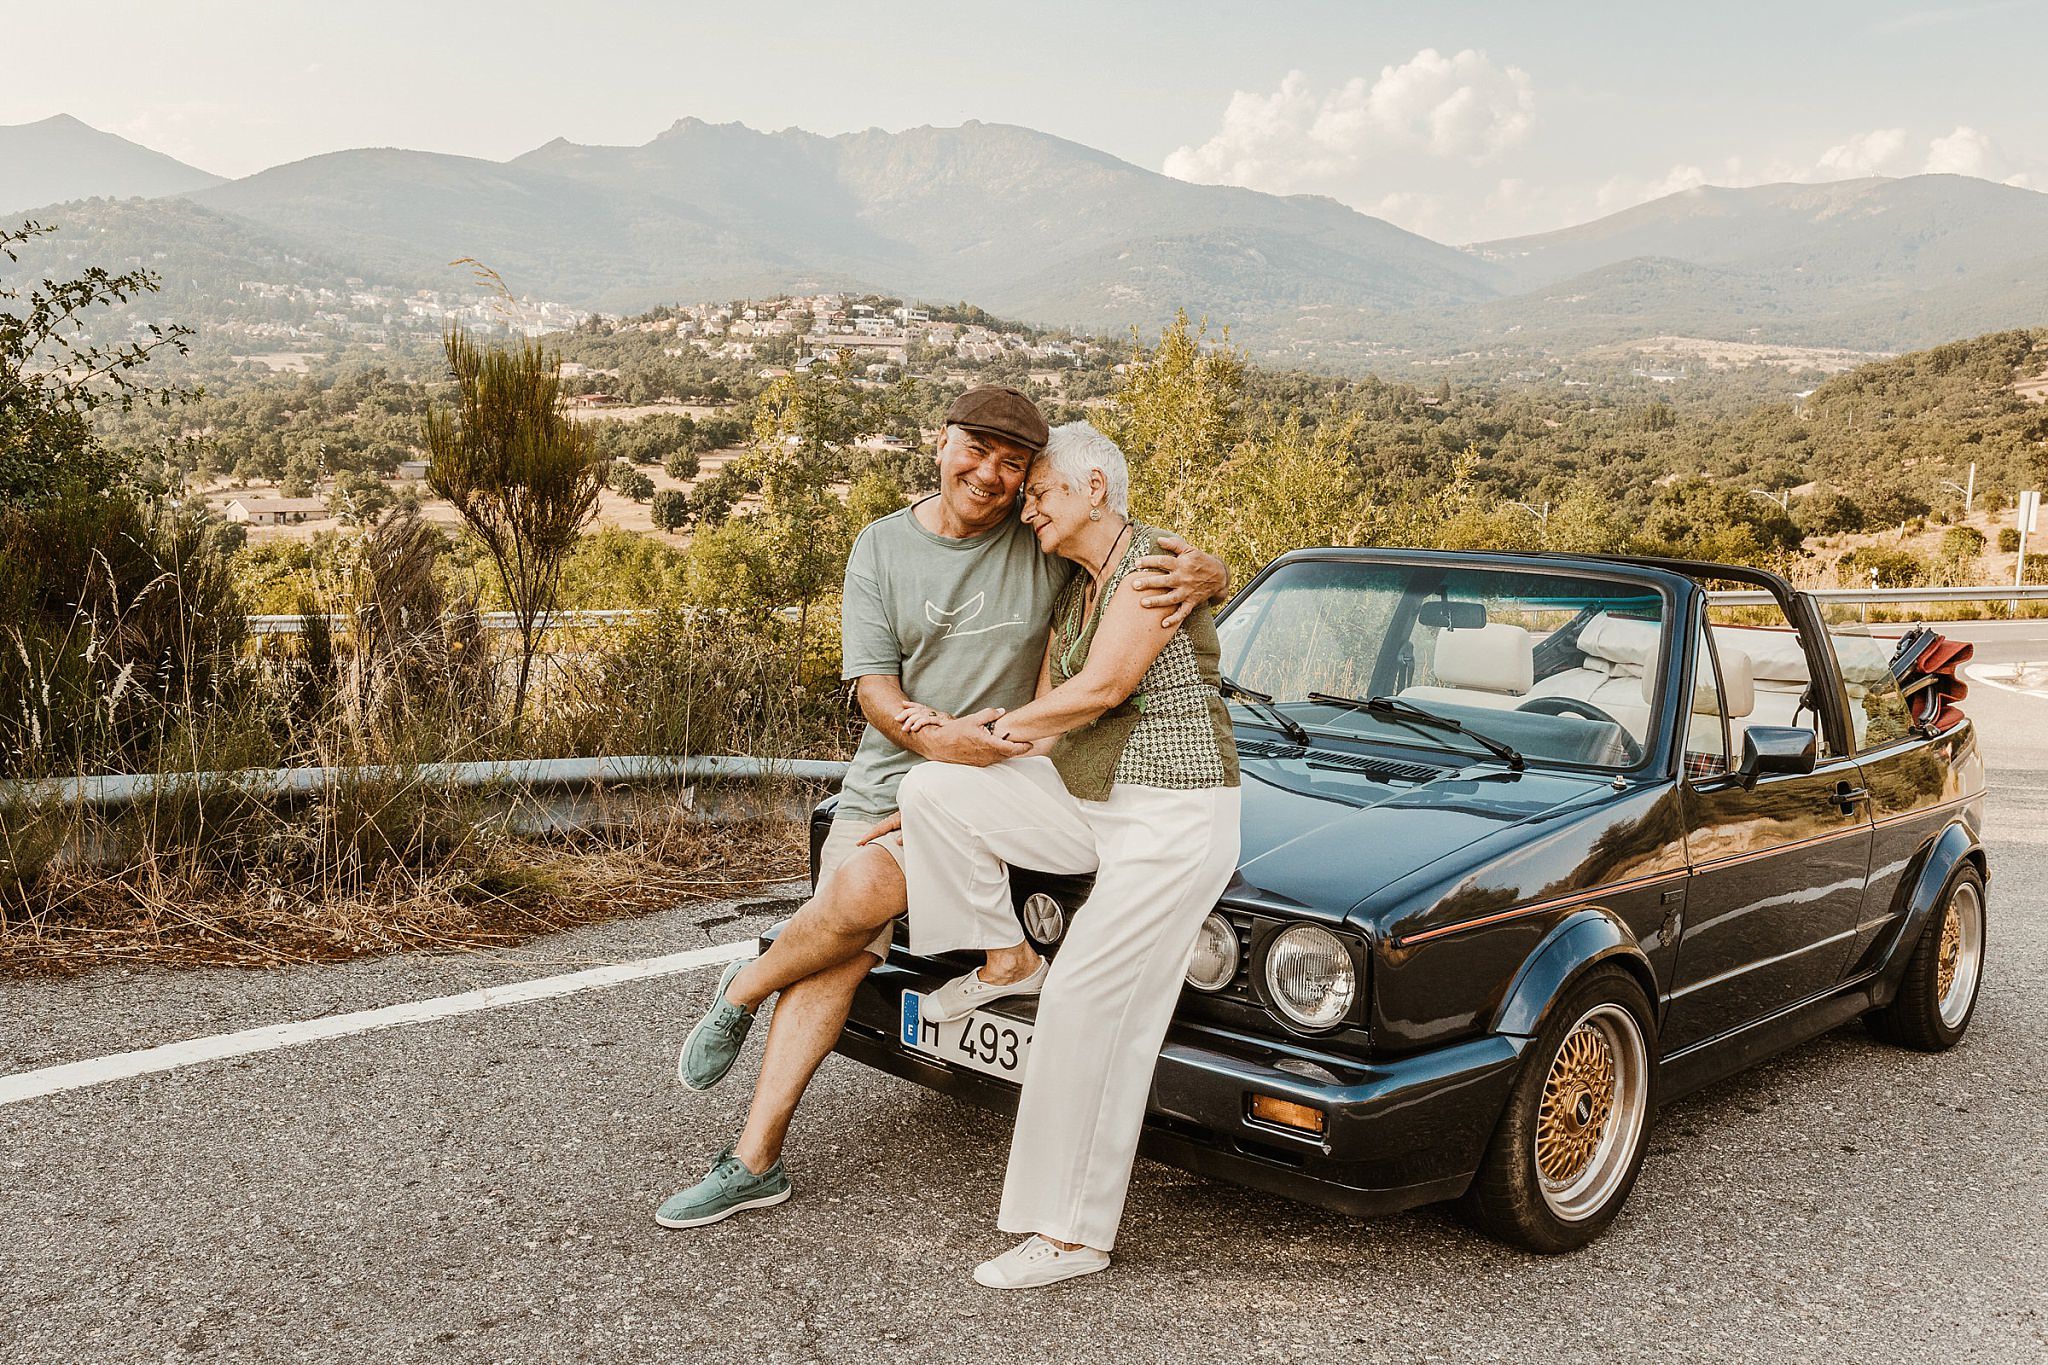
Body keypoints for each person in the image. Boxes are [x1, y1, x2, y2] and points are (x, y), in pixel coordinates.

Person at [654, 388, 1229, 1230]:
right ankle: (754, 1152)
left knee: (848, 903)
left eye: (1016, 468)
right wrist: (932, 738)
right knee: (839, 951)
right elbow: (874, 690)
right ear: (942, 443)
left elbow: (1132, 562)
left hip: (1006, 779)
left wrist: (1214, 572)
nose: (996, 480)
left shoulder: (1039, 536)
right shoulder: (881, 547)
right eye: (979, 453)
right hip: (903, 773)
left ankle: (742, 1002)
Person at [894, 420, 1241, 1289]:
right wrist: (957, 766)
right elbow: (1053, 723)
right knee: (930, 792)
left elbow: (1106, 688)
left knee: (1088, 999)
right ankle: (1007, 957)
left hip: (1175, 814)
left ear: (1094, 489)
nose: (1030, 506)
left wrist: (985, 729)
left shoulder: (1156, 558)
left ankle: (1071, 1232)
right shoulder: (1074, 589)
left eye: (1041, 491)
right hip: (1094, 799)